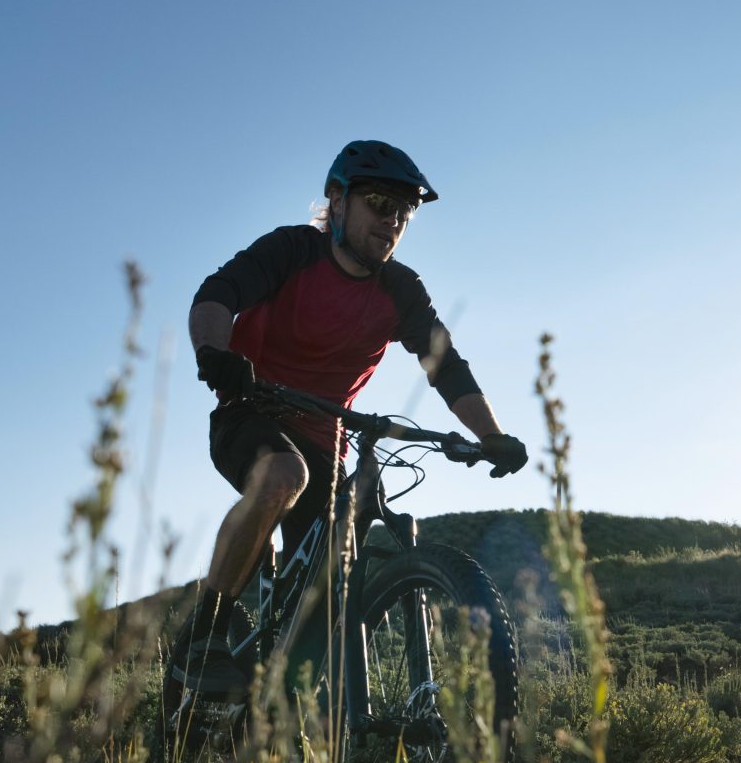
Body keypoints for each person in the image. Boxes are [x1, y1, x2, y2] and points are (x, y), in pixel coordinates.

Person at [177, 139, 527, 681]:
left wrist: (492, 435)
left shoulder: (401, 290)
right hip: (251, 413)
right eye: (380, 205)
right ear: (337, 201)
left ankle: (290, 710)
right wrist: (214, 355)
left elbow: (446, 365)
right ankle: (203, 637)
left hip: (325, 440)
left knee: (332, 582)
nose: (393, 222)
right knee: (281, 474)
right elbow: (217, 295)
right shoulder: (293, 251)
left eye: (404, 213)